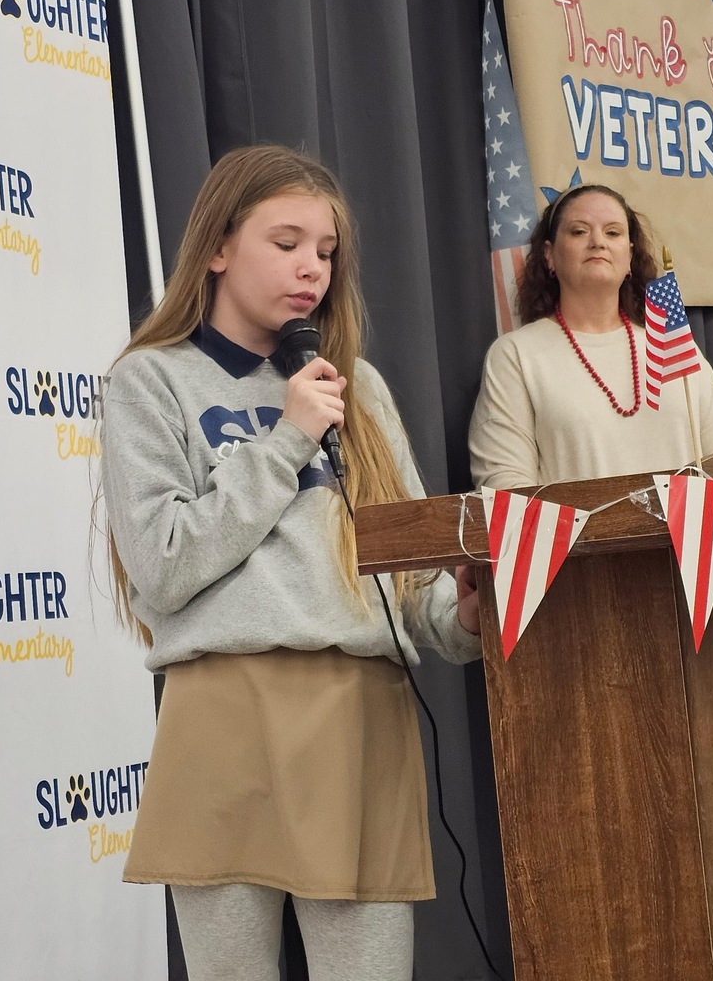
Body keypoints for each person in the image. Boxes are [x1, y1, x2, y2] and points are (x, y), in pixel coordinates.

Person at [98, 144, 482, 981]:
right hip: (223, 718)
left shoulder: (359, 389)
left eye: (326, 251)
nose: (312, 267)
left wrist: (471, 611)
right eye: (287, 243)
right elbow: (162, 565)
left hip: (359, 717)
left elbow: (413, 594)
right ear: (217, 247)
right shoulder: (151, 383)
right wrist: (286, 441)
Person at [469, 184, 713, 489]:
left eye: (613, 233)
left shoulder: (674, 348)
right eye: (578, 232)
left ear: (629, 256)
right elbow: (506, 488)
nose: (598, 242)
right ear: (549, 255)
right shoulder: (515, 355)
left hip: (690, 537)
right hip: (576, 537)